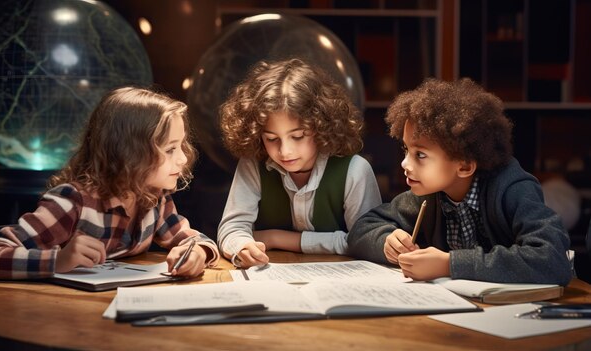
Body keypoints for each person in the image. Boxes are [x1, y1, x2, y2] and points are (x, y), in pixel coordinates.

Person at [0, 87, 219, 280]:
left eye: (181, 145)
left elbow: (193, 238)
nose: (184, 157)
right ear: (129, 154)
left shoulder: (154, 197)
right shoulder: (71, 202)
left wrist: (198, 252)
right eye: (170, 149)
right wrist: (57, 260)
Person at [347, 78, 572, 285]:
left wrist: (449, 264)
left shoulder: (512, 189)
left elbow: (552, 260)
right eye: (406, 149)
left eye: (420, 155)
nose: (405, 163)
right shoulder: (428, 195)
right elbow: (360, 231)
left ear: (464, 166)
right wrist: (387, 241)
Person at [217, 58, 382, 268]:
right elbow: (232, 229)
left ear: (321, 125)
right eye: (271, 139)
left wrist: (277, 238)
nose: (285, 151)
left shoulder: (355, 170)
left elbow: (366, 241)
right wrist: (241, 245)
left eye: (298, 136)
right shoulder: (252, 165)